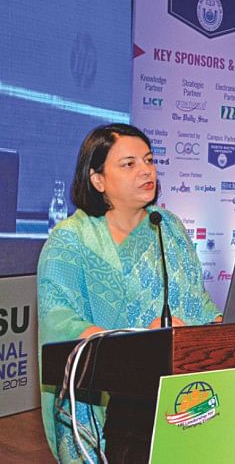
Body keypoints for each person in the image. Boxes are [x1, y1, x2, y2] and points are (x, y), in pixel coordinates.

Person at [37, 124, 222, 462]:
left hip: (184, 388)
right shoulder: (71, 239)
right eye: (129, 164)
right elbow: (59, 318)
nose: (146, 170)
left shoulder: (168, 227)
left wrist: (224, 324)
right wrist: (134, 343)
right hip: (116, 402)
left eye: (149, 160)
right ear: (98, 180)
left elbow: (197, 300)